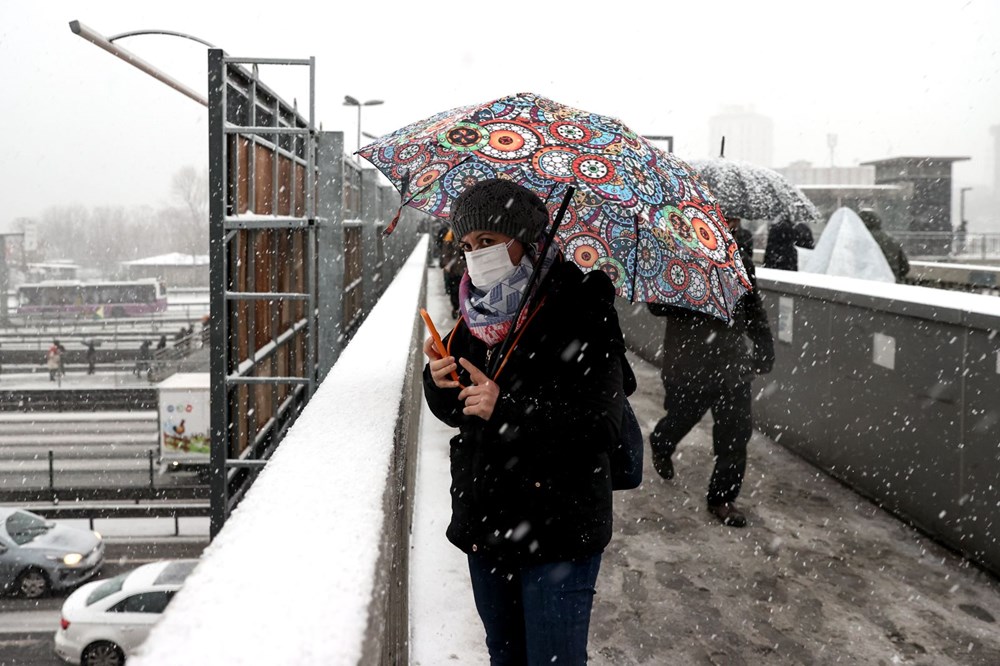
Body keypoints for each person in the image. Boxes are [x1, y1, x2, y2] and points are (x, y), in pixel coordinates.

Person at [422, 179, 628, 664]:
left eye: (489, 242)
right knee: (504, 655)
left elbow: (601, 426)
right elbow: (458, 411)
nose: (476, 256)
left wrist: (508, 409)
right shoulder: (474, 313)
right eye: (468, 245)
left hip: (559, 527)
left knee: (553, 658)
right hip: (488, 523)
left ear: (526, 240)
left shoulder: (583, 307)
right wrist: (439, 380)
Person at [647, 234, 775, 528]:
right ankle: (662, 441)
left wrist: (764, 345)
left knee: (736, 434)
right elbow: (656, 305)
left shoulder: (736, 255)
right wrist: (688, 285)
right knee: (682, 416)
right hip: (689, 364)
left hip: (732, 364)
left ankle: (722, 498)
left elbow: (752, 304)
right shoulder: (677, 249)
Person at [858, 208, 910, 280]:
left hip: (871, 283)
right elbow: (905, 267)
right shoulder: (890, 239)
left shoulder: (862, 239)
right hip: (892, 283)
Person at [438, 227, 467, 319]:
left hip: (462, 270)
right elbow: (445, 252)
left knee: (463, 291)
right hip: (454, 271)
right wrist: (447, 265)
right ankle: (456, 309)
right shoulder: (449, 236)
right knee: (455, 291)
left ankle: (460, 310)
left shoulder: (464, 234)